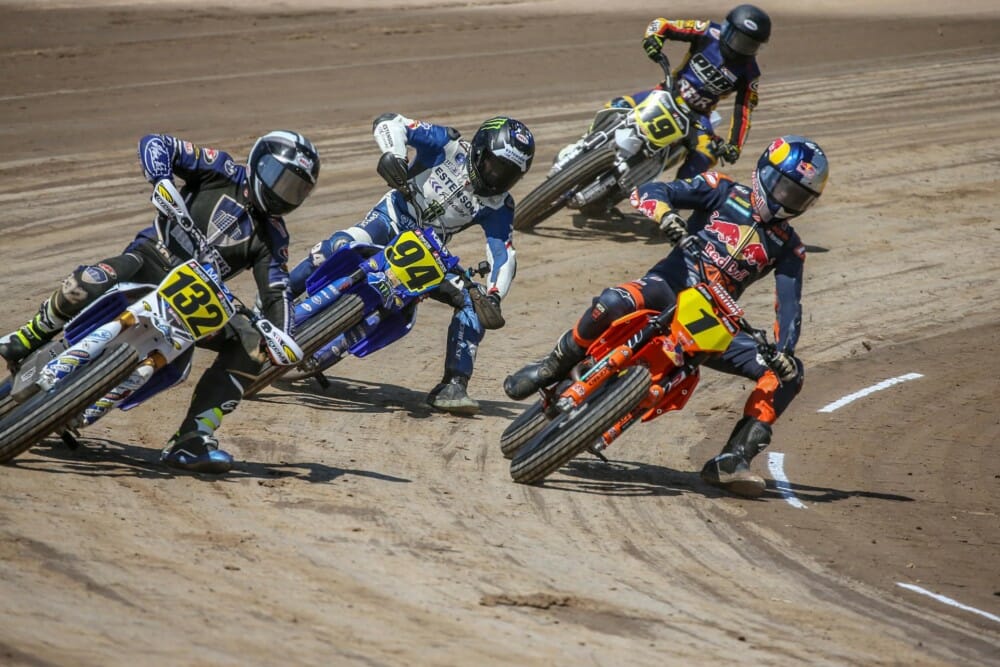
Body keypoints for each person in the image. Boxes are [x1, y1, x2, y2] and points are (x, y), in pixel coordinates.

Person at [504, 135, 828, 497]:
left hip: (716, 320)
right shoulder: (720, 190)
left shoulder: (790, 246)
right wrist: (666, 216)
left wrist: (784, 350)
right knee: (612, 302)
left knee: (789, 375)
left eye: (796, 196)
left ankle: (732, 460)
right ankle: (552, 365)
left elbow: (789, 305)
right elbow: (651, 190)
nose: (784, 200)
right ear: (763, 173)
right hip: (667, 287)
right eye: (782, 187)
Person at [0, 131, 321, 473]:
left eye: (295, 189)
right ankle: (28, 338)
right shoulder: (221, 169)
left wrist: (283, 335)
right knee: (89, 280)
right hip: (152, 258)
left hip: (199, 298)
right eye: (279, 178)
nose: (282, 192)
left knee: (252, 344)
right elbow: (157, 143)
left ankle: (193, 437)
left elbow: (276, 291)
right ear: (259, 162)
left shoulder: (274, 237)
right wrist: (161, 179)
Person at [288, 113, 535, 415]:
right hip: (390, 219)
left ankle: (453, 384)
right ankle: (277, 297)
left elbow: (503, 253)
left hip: (431, 253)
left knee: (474, 300)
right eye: (494, 166)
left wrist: (495, 295)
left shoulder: (500, 205)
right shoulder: (447, 144)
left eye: (508, 174)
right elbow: (390, 122)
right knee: (338, 245)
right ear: (480, 149)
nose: (497, 178)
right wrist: (393, 155)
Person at [556, 5, 769, 182]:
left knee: (708, 154)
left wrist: (734, 146)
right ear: (726, 28)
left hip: (698, 117)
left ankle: (671, 200)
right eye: (736, 38)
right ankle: (583, 144)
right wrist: (653, 39)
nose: (739, 47)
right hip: (667, 92)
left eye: (749, 44)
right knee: (617, 105)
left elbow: (744, 111)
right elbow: (663, 24)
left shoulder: (750, 73)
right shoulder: (707, 32)